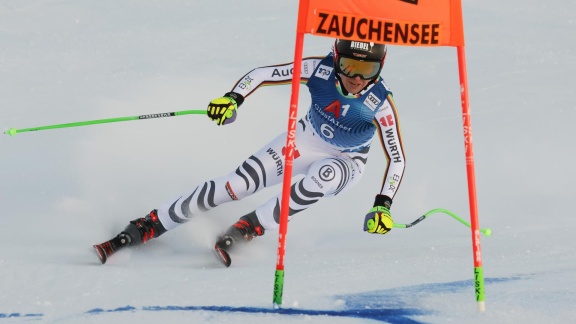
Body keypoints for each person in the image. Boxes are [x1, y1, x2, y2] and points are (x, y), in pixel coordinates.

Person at [93, 39, 406, 266]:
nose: (357, 77)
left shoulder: (380, 102)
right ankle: (149, 224)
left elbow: (397, 158)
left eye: (368, 69)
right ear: (336, 58)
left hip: (345, 160)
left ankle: (249, 227)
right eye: (349, 65)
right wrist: (233, 98)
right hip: (304, 138)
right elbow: (263, 73)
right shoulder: (318, 69)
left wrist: (383, 205)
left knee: (321, 177)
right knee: (235, 185)